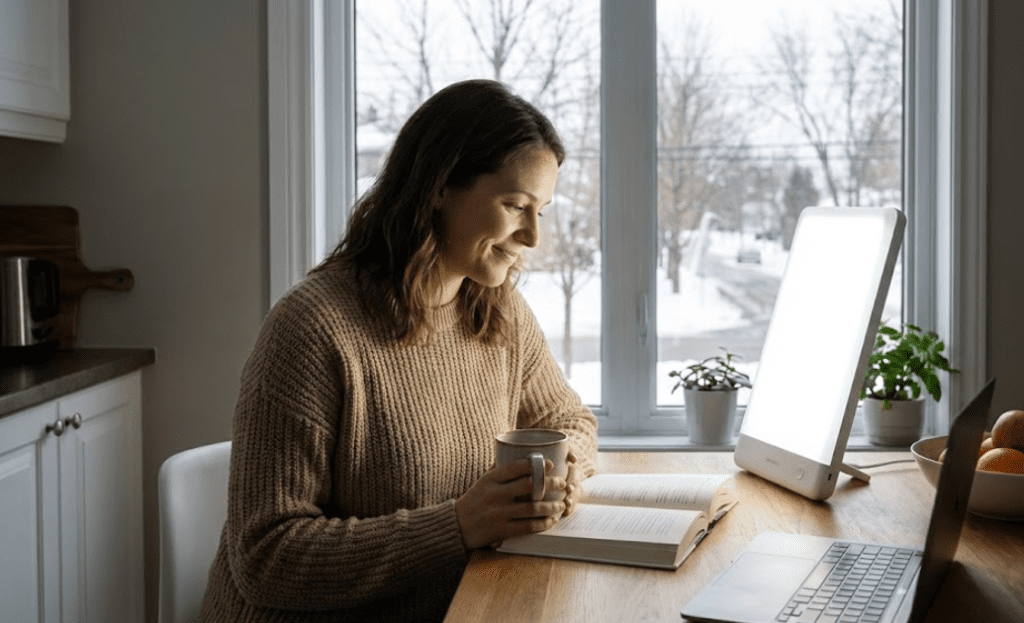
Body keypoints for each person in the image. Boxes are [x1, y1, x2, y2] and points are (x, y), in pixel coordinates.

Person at [199, 79, 598, 623]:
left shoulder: (498, 310)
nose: (532, 236)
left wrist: (563, 470)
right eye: (514, 205)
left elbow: (569, 420)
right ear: (439, 187)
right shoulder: (313, 328)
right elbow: (265, 556)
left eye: (541, 211)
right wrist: (458, 525)